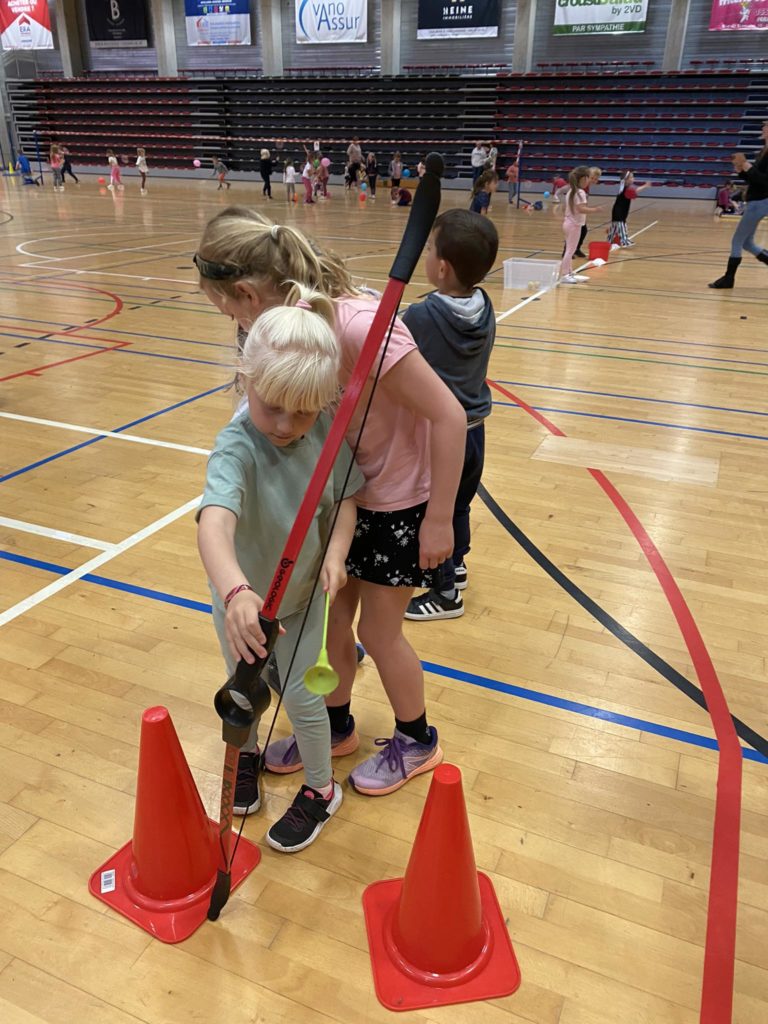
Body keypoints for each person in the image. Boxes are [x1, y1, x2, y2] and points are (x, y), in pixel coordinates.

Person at [194, 208, 466, 798]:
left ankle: (417, 739)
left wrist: (440, 518)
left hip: (397, 503)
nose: (238, 325)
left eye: (232, 313)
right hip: (347, 493)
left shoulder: (356, 326)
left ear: (247, 294)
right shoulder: (295, 336)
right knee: (333, 625)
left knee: (381, 633)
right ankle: (336, 724)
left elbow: (449, 414)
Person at [197, 285, 364, 851]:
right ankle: (245, 757)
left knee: (302, 698)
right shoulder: (236, 446)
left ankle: (321, 788)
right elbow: (214, 523)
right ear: (245, 378)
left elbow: (346, 500)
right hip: (243, 607)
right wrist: (235, 591)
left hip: (303, 601)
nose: (288, 426)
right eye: (273, 407)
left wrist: (336, 553)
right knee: (243, 691)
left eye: (304, 412)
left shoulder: (325, 434)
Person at [402, 210, 499, 621]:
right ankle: (456, 565)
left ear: (441, 267)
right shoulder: (485, 306)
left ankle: (445, 594)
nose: (424, 255)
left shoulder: (422, 315)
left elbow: (394, 346)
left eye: (428, 249)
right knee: (458, 505)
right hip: (475, 432)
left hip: (440, 437)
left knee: (434, 510)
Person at [710, 122, 768, 289]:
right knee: (747, 243)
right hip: (756, 201)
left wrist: (748, 167)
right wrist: (741, 170)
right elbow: (754, 179)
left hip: (760, 202)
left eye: (766, 126)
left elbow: (765, 182)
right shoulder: (763, 151)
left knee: (736, 241)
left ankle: (729, 278)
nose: (763, 128)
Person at [560, 166, 604, 285]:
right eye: (588, 178)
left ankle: (569, 273)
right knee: (570, 251)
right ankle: (564, 275)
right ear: (584, 178)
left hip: (568, 223)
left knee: (570, 249)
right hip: (574, 225)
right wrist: (596, 210)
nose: (589, 181)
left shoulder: (571, 191)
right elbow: (581, 209)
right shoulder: (580, 192)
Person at [607, 171, 651, 248]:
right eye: (631, 177)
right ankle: (624, 241)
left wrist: (644, 186)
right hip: (618, 211)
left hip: (622, 210)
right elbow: (635, 191)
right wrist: (645, 186)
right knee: (621, 225)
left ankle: (610, 240)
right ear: (626, 180)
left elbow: (634, 191)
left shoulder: (626, 187)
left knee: (615, 227)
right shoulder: (625, 188)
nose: (633, 178)